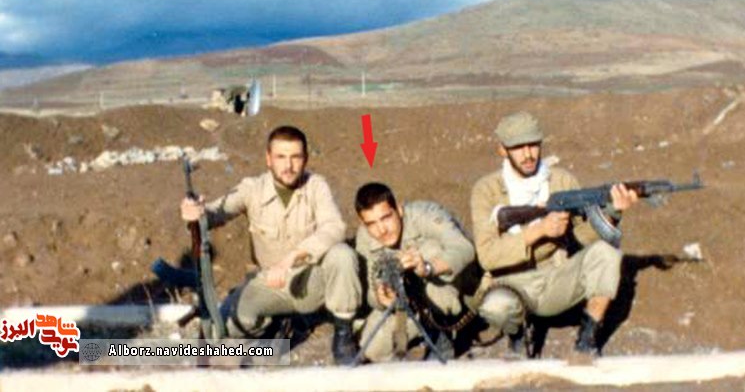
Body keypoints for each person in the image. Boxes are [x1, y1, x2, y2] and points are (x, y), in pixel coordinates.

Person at [180, 125, 361, 364]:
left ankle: (344, 334)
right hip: (270, 284)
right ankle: (275, 324)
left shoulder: (317, 186)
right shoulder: (252, 189)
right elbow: (216, 212)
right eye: (281, 157)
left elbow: (334, 227)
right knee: (228, 325)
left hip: (310, 280)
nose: (288, 165)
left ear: (305, 159)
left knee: (342, 254)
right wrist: (196, 212)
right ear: (268, 159)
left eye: (295, 157)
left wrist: (292, 258)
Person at [470, 111, 638, 356]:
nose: (528, 154)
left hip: (557, 279)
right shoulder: (487, 190)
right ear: (502, 150)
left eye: (533, 145)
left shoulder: (561, 181)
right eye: (518, 148)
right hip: (511, 284)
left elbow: (583, 237)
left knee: (607, 253)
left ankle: (587, 340)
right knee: (497, 307)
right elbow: (488, 256)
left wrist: (612, 212)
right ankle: (518, 336)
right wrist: (540, 230)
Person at [354, 182, 479, 362]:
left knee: (431, 249)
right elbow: (371, 291)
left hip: (454, 289)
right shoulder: (365, 238)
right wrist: (382, 297)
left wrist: (427, 267)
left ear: (399, 210)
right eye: (371, 224)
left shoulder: (424, 215)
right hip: (410, 301)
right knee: (372, 349)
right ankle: (423, 331)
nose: (381, 230)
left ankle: (443, 334)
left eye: (386, 218)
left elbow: (465, 249)